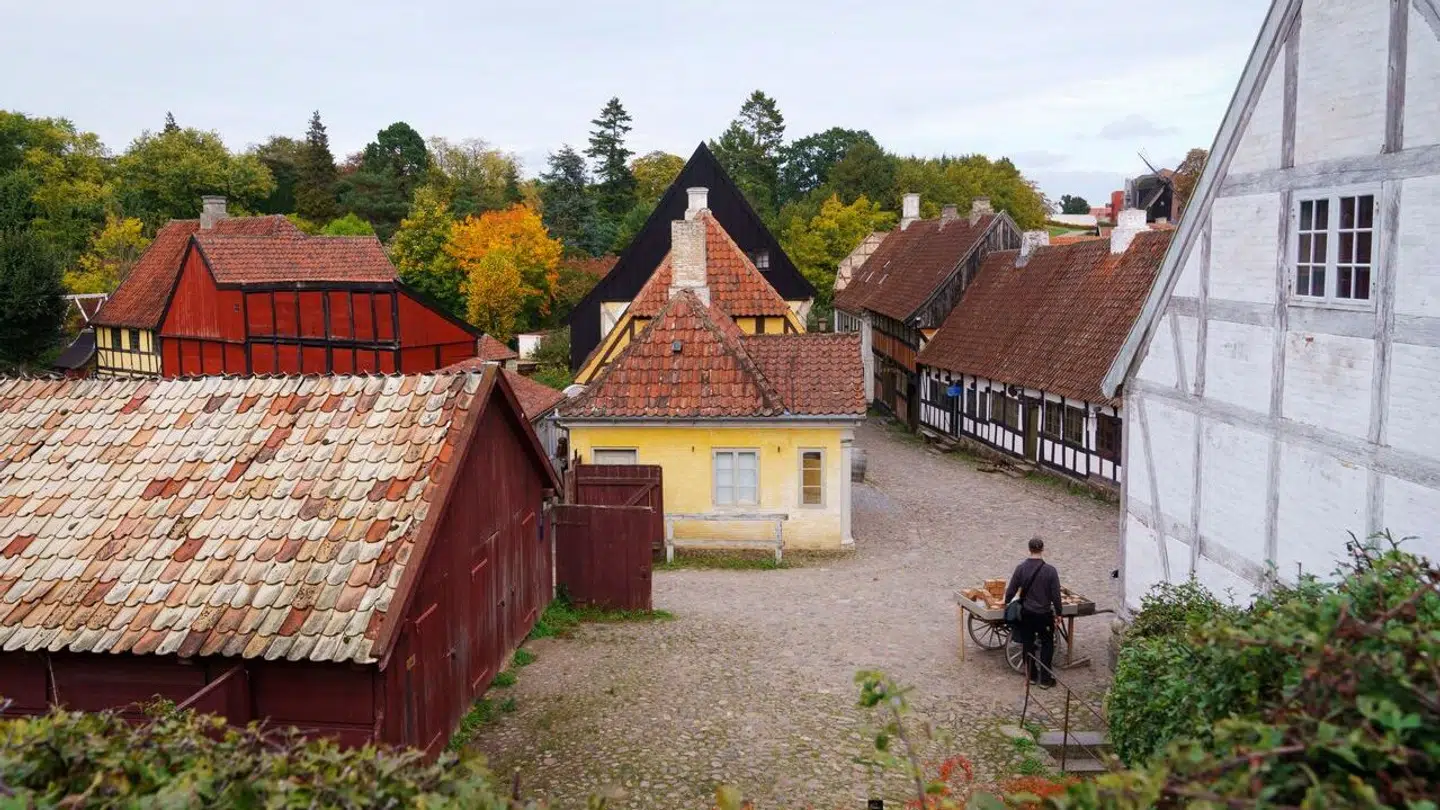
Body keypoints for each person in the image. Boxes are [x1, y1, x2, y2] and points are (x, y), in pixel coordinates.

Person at [1004, 536, 1062, 688]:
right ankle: (1045, 679)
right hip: (1043, 614)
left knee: (1027, 644)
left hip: (1027, 613)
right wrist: (1059, 613)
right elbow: (1056, 595)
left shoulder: (1021, 568)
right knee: (1047, 644)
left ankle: (1031, 676)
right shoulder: (1050, 571)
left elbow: (1011, 590)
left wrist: (1008, 603)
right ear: (1043, 550)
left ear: (1029, 550)